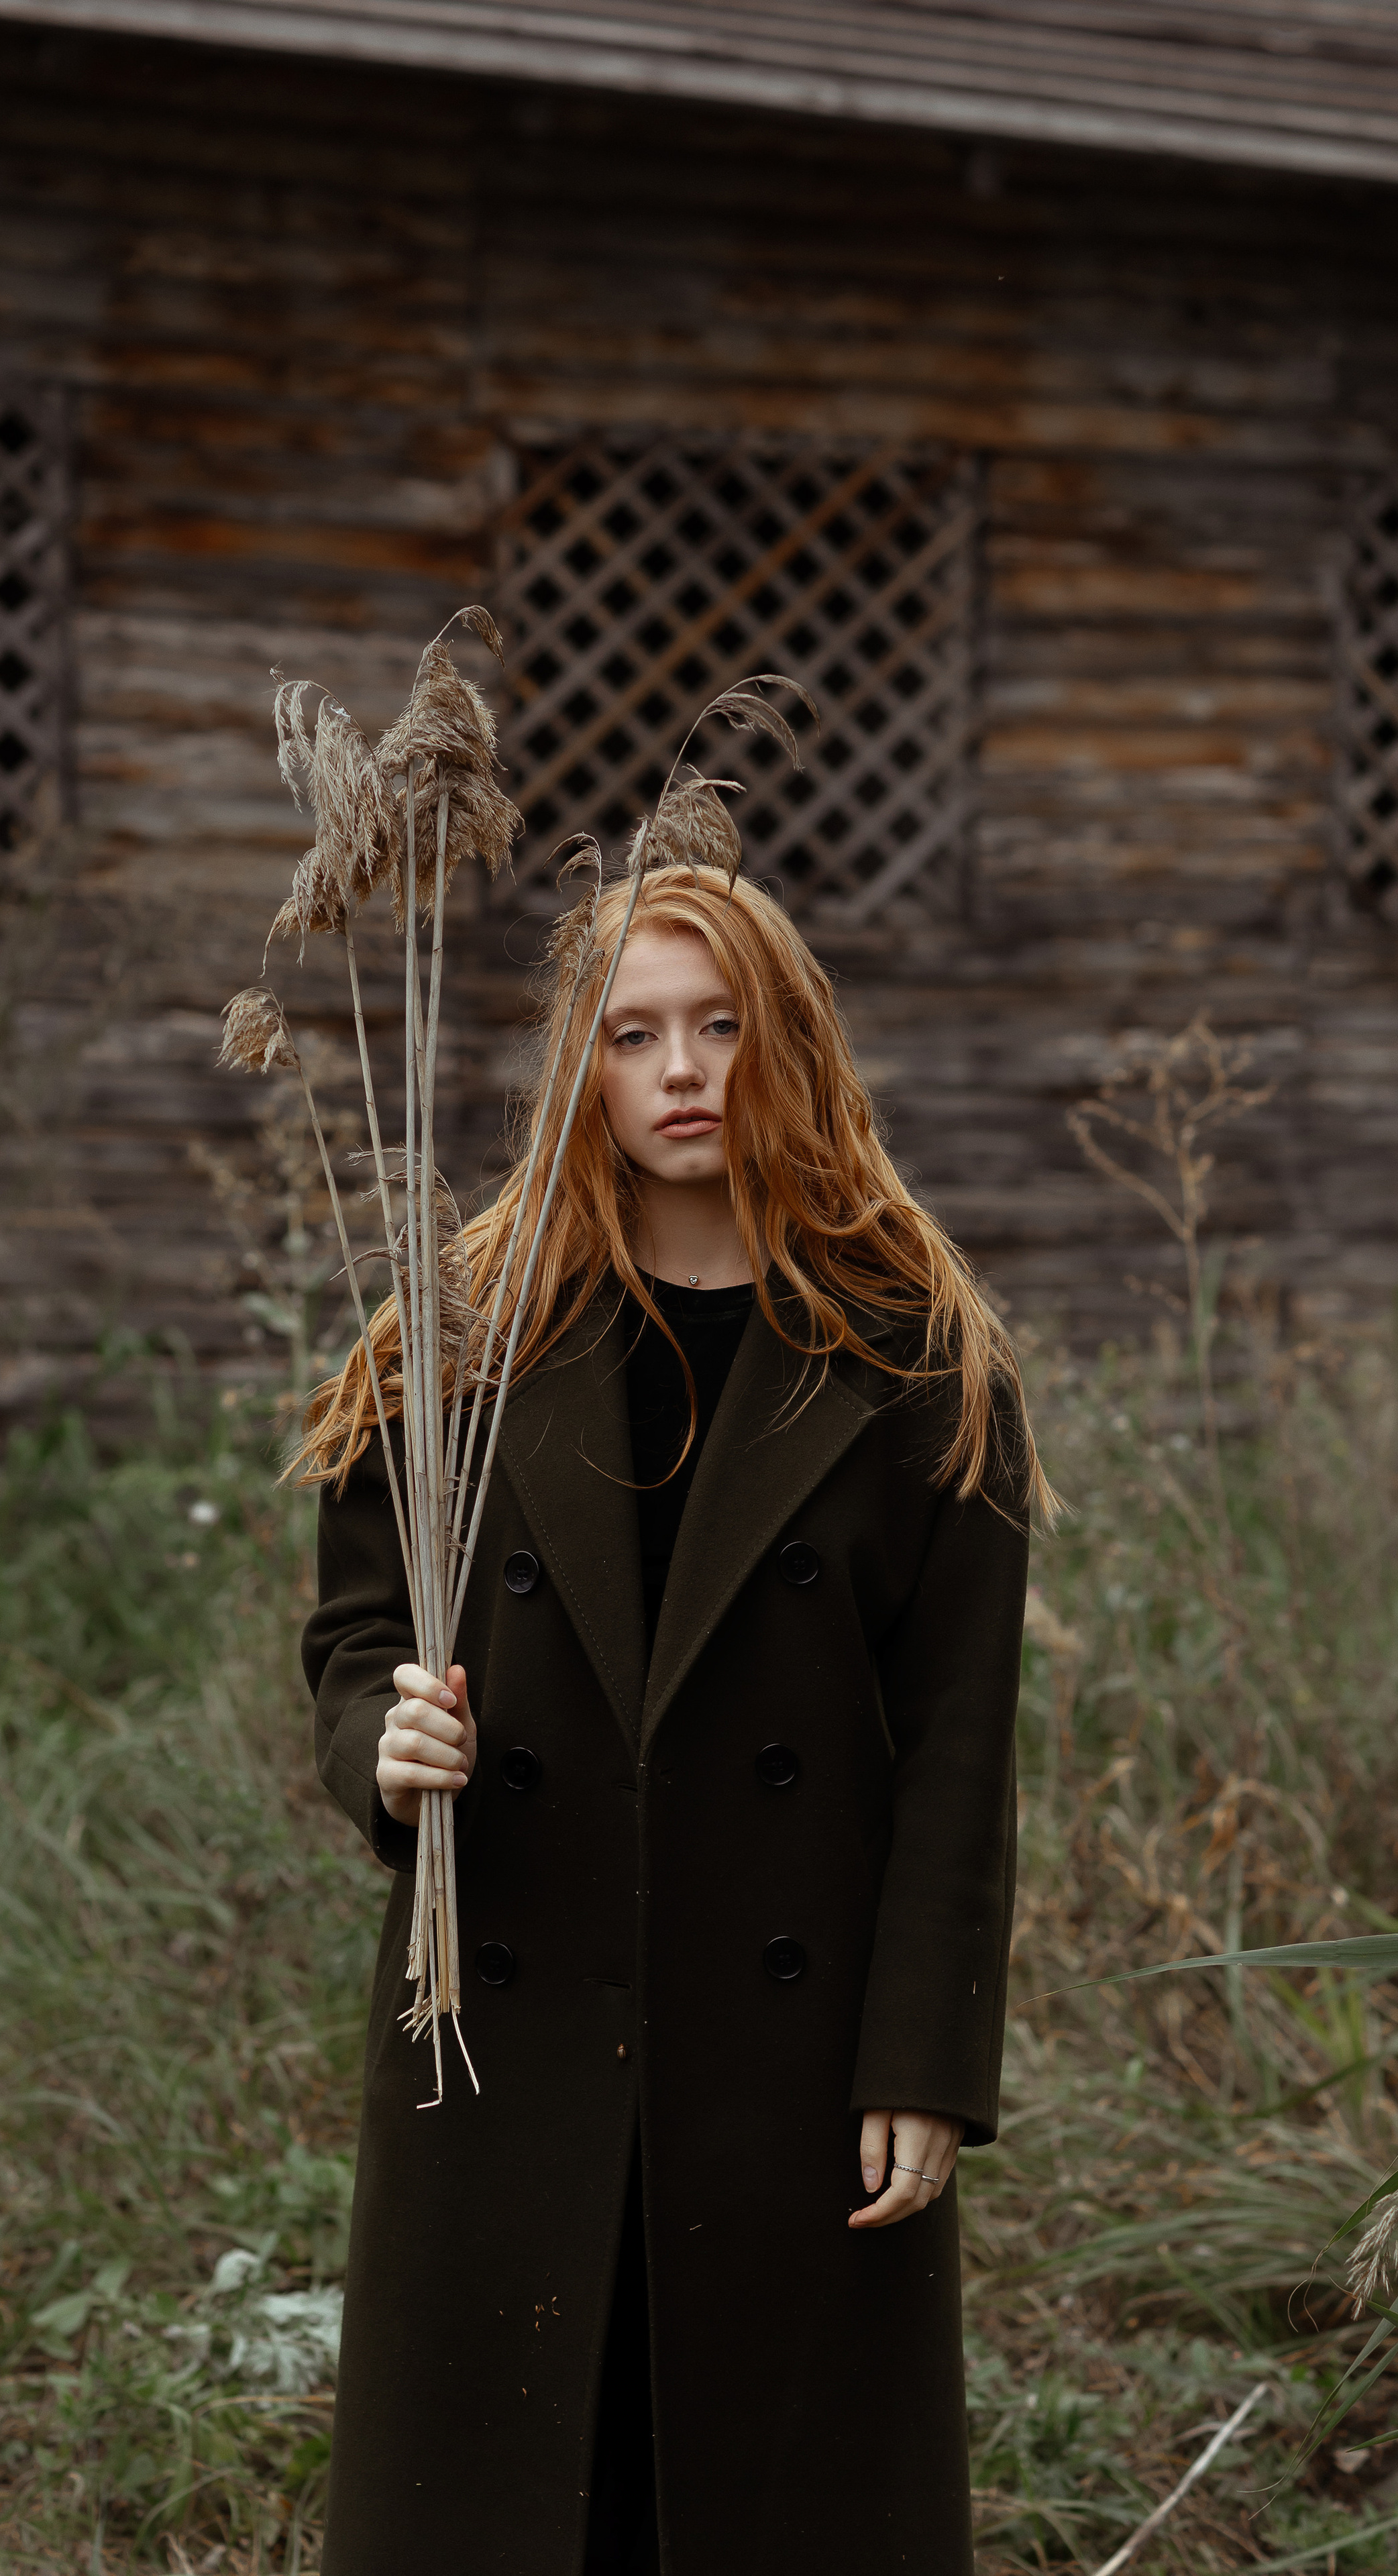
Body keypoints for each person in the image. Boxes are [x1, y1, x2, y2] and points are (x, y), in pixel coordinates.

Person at [299, 859, 1049, 2576]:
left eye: (720, 1027)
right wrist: (384, 1755)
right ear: (584, 1068)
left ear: (787, 1045)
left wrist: (922, 2061)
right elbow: (353, 1632)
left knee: (767, 2506)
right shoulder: (462, 1338)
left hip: (786, 2069)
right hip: (506, 2024)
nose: (682, 1070)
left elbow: (957, 1740)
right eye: (633, 1035)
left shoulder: (919, 1356)